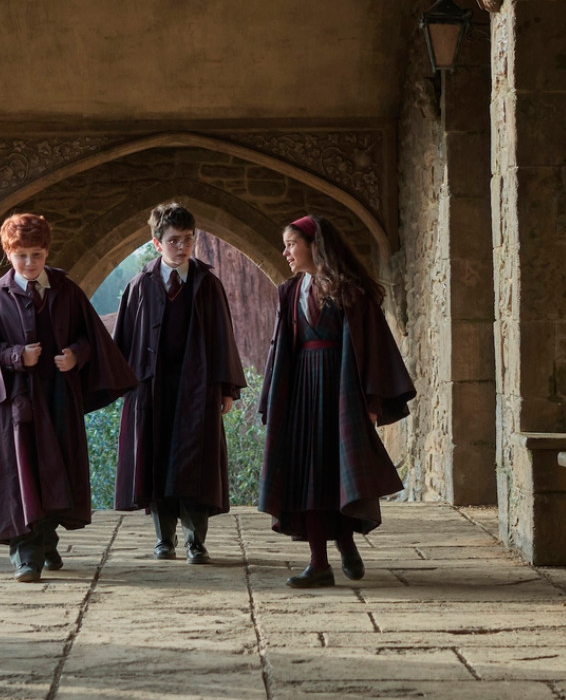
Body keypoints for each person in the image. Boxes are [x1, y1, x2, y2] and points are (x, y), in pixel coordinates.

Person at [0, 212, 136, 582]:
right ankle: (26, 555)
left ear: (46, 251)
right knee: (20, 475)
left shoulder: (67, 291)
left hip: (58, 399)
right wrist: (17, 356)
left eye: (36, 254)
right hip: (17, 405)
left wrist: (76, 356)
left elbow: (92, 338)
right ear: (9, 254)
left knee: (56, 472)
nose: (29, 262)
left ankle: (47, 540)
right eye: (21, 255)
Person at [258, 214, 416, 589]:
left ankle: (345, 542)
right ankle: (319, 564)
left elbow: (371, 347)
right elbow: (282, 349)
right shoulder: (290, 292)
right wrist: (275, 401)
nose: (286, 253)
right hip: (301, 392)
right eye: (285, 245)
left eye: (292, 244)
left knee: (337, 471)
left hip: (341, 390)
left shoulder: (350, 291)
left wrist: (372, 401)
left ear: (315, 246)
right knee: (307, 475)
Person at [112, 202, 248, 563]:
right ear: (157, 243)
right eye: (173, 240)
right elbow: (124, 341)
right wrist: (125, 388)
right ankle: (164, 539)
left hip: (197, 389)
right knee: (157, 462)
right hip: (152, 389)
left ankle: (196, 541)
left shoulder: (208, 285)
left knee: (194, 464)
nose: (182, 246)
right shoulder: (140, 286)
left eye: (188, 239)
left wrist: (226, 388)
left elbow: (223, 338)